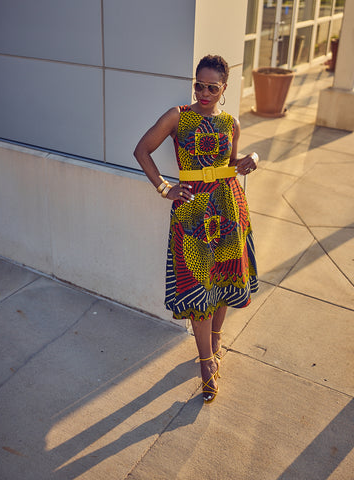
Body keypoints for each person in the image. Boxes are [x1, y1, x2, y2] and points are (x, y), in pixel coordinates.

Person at [134, 54, 258, 404]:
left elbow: (230, 164)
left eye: (212, 87)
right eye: (199, 85)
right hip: (191, 215)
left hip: (229, 208)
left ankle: (216, 342)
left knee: (223, 279)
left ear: (224, 88)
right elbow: (142, 150)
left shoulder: (231, 123)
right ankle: (206, 362)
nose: (204, 93)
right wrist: (164, 188)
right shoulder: (178, 116)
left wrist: (253, 160)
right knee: (200, 285)